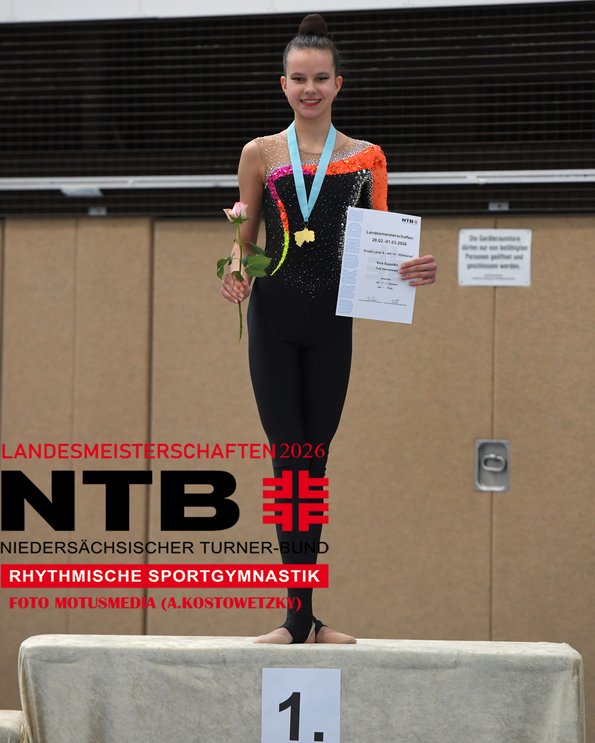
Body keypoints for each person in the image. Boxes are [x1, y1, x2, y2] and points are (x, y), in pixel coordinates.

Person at [220, 13, 437, 644]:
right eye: (298, 79)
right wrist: (234, 269)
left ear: (338, 83)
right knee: (289, 459)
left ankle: (304, 617)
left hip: (332, 325)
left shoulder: (367, 158)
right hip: (274, 322)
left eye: (320, 78)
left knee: (313, 463)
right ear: (283, 85)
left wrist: (411, 269)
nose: (309, 89)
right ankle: (298, 618)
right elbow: (245, 239)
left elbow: (382, 241)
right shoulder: (260, 154)